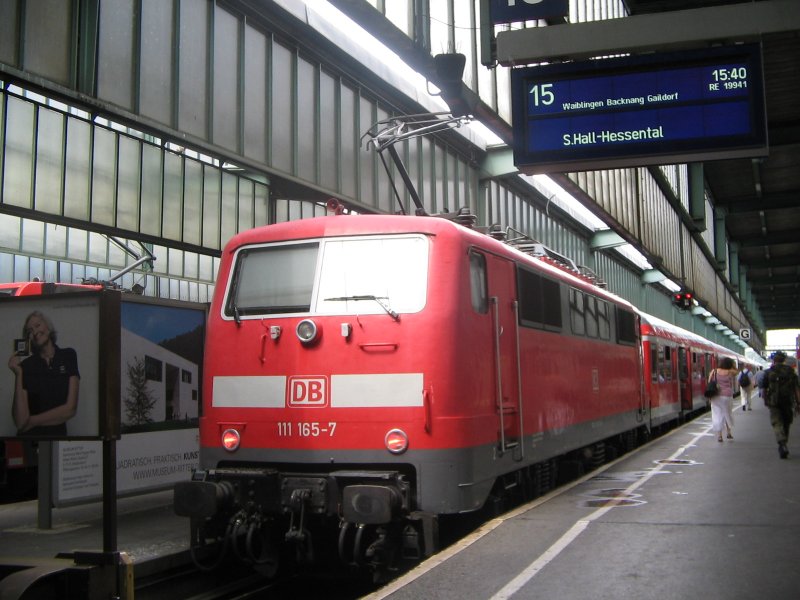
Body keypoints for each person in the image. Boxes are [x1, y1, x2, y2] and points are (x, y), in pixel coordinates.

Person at [7, 311, 80, 436]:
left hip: (59, 441)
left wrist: (31, 421)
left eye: (38, 325)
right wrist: (18, 374)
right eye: (30, 331)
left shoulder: (68, 355)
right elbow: (20, 422)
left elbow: (70, 409)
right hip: (29, 443)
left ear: (48, 327)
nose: (35, 332)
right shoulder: (26, 366)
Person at [763, 351, 800, 459]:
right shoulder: (790, 371)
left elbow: (764, 388)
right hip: (788, 401)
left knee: (777, 422)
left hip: (774, 401)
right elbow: (796, 389)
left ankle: (782, 443)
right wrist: (798, 403)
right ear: (784, 360)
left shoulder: (769, 372)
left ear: (774, 361)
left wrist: (766, 400)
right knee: (787, 422)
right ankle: (784, 442)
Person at [708, 357, 736, 443]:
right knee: (727, 413)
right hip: (727, 396)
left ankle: (720, 436)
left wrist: (710, 397)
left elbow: (709, 383)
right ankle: (729, 433)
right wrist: (732, 366)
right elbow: (736, 371)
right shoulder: (730, 372)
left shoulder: (714, 371)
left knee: (717, 415)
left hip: (716, 396)